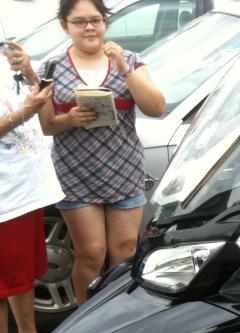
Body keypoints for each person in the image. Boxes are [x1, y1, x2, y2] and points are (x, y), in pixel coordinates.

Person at [38, 0, 165, 305]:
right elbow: (46, 125)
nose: (89, 27)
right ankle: (85, 322)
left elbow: (156, 107)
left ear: (106, 22)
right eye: (79, 22)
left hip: (123, 167)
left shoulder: (130, 59)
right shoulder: (52, 67)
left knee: (125, 250)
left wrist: (123, 70)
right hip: (76, 171)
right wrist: (69, 119)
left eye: (96, 20)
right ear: (64, 26)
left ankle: (119, 316)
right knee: (91, 252)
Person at [0, 41, 63, 333]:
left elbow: (32, 99)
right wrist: (26, 112)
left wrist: (27, 72)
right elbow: (23, 112)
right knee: (2, 282)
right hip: (4, 197)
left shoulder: (3, 56)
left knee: (21, 276)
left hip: (26, 189)